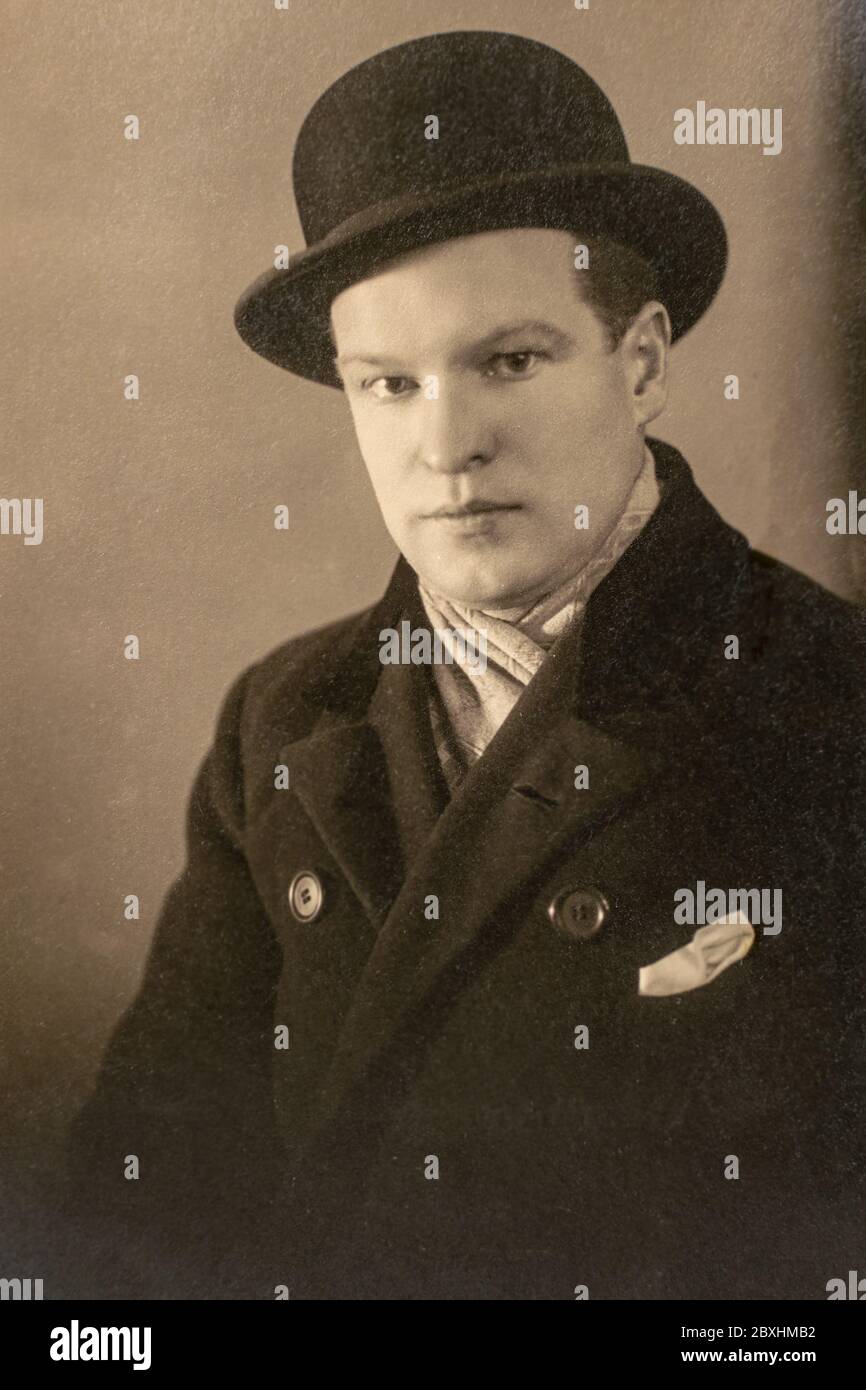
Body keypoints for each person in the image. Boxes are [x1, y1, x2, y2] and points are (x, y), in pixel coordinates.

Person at [63, 30, 866, 1301]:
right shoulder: (283, 721)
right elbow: (144, 1197)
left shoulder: (824, 704)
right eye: (386, 383)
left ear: (642, 360)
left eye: (508, 360)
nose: (446, 447)